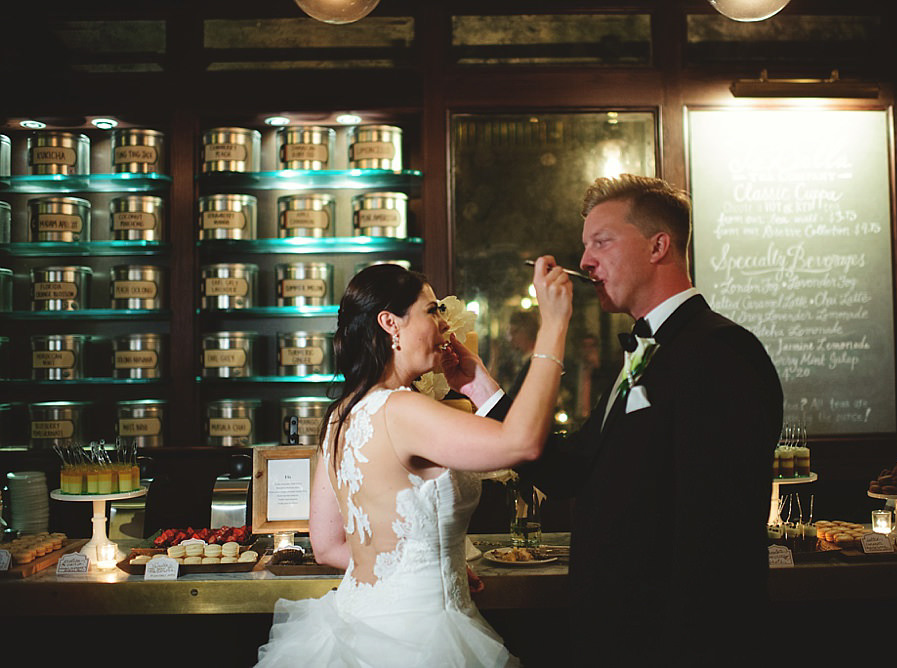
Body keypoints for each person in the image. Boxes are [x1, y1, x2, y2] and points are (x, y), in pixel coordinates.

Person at [457, 174, 784, 665]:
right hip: (614, 636)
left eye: (601, 242)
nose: (585, 262)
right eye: (584, 246)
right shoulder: (644, 352)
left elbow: (715, 537)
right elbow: (571, 470)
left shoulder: (721, 352)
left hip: (672, 645)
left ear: (658, 246)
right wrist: (478, 384)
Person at [256, 259, 572, 667]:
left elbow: (328, 545)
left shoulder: (341, 415)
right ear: (390, 323)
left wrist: (424, 563)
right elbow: (522, 443)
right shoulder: (403, 410)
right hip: (423, 640)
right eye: (431, 310)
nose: (444, 325)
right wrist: (553, 328)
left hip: (355, 626)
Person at [505, 310, 539, 398]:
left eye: (515, 332)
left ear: (528, 331)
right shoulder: (511, 360)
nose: (511, 339)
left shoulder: (538, 361)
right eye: (510, 333)